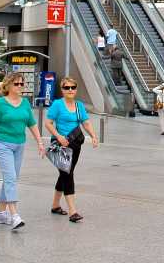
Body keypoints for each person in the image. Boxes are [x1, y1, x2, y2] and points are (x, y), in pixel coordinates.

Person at [0, 72, 45, 230]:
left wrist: (39, 142)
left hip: (19, 145)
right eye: (16, 84)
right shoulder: (1, 104)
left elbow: (31, 123)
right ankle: (14, 215)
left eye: (22, 84)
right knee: (10, 177)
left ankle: (0, 212)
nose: (20, 87)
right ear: (8, 85)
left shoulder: (25, 103)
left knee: (11, 178)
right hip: (3, 143)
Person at [43, 77, 100, 222]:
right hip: (61, 144)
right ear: (62, 90)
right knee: (67, 175)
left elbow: (85, 123)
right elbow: (48, 123)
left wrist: (93, 136)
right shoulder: (57, 104)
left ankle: (55, 205)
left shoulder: (79, 105)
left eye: (73, 87)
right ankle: (72, 211)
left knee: (65, 173)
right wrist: (58, 136)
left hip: (75, 144)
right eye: (67, 87)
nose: (70, 90)